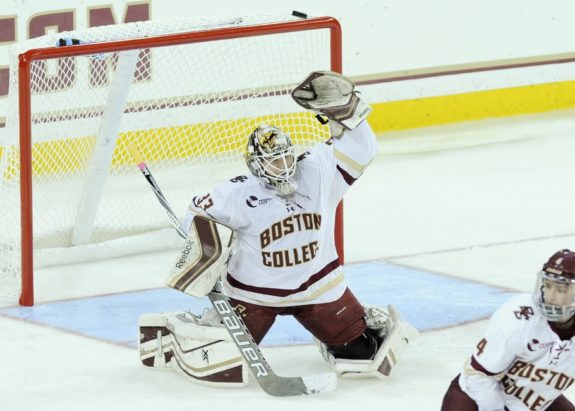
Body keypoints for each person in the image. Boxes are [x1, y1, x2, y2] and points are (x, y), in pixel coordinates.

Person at [138, 70, 418, 387]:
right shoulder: (237, 193)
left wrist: (345, 110)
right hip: (255, 296)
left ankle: (338, 333)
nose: (284, 167)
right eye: (274, 162)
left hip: (319, 288)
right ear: (256, 165)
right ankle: (177, 330)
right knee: (224, 360)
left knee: (362, 354)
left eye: (287, 158)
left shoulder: (318, 170)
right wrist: (210, 249)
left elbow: (363, 148)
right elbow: (196, 216)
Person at [441, 249, 575, 411]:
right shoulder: (517, 319)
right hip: (474, 399)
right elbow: (478, 377)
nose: (550, 297)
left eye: (560, 289)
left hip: (532, 399)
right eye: (547, 286)